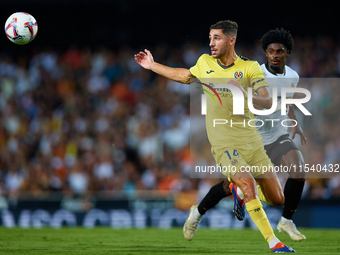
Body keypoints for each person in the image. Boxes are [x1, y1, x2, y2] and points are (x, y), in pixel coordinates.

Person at [135, 20, 295, 253]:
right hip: (224, 143)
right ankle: (274, 243)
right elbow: (184, 76)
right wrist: (152, 66)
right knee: (248, 182)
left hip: (252, 142)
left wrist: (244, 94)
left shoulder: (250, 68)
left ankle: (207, 205)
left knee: (277, 199)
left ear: (231, 40)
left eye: (216, 38)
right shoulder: (204, 63)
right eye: (210, 37)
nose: (211, 42)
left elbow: (267, 100)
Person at [188, 28, 307, 242]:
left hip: (278, 135)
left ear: (287, 53)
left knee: (298, 169)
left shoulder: (293, 76)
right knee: (230, 186)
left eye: (279, 51)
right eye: (270, 51)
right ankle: (198, 212)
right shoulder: (253, 72)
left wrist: (294, 122)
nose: (275, 55)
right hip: (253, 139)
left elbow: (286, 99)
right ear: (265, 53)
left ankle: (286, 221)